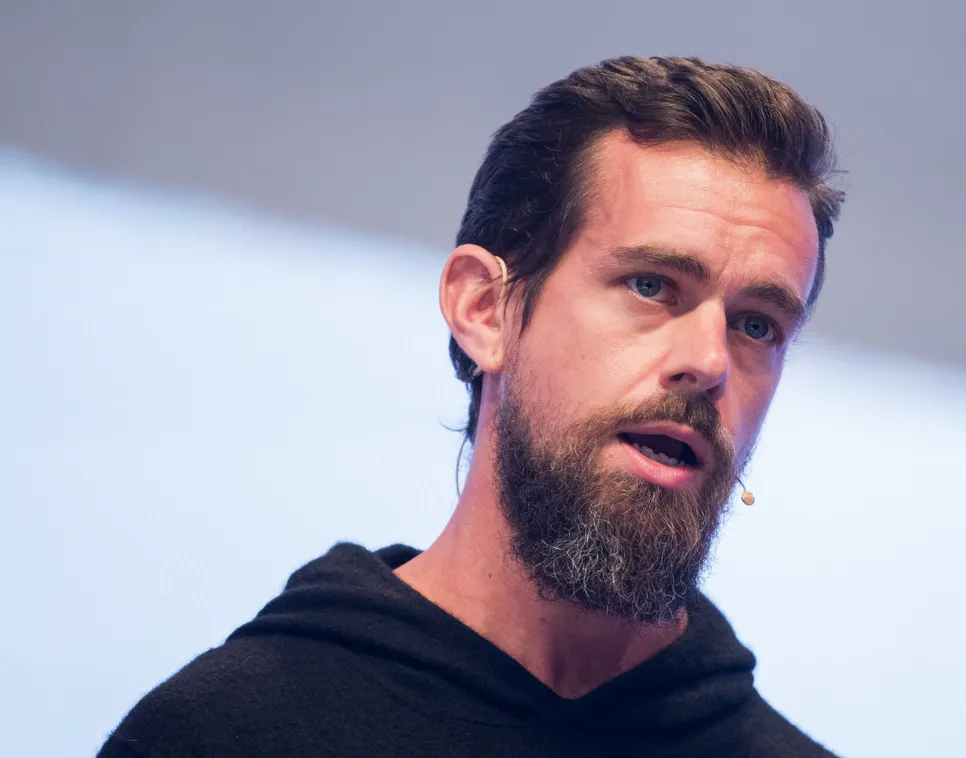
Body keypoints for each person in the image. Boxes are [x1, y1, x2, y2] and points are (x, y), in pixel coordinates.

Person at [99, 55, 845, 757]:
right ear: (486, 309)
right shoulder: (227, 733)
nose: (710, 362)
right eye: (651, 285)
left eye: (757, 325)